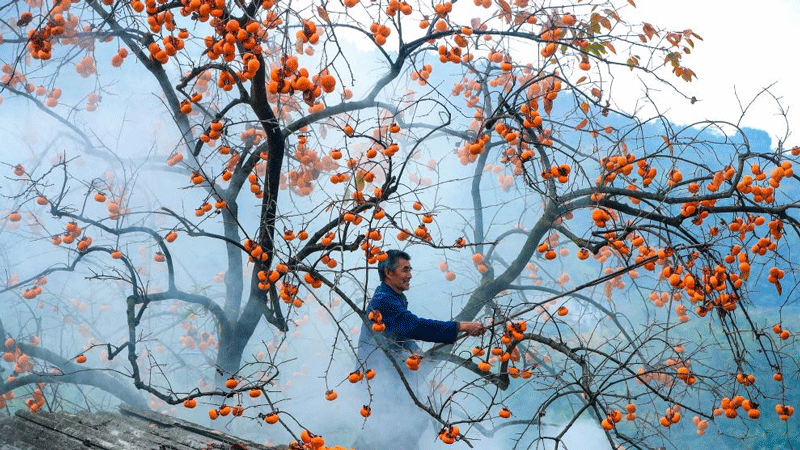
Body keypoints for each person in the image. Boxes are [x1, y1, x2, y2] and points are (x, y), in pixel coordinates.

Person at [353, 250, 484, 450]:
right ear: (389, 273)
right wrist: (460, 327)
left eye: (410, 269)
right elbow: (415, 326)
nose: (410, 275)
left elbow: (401, 331)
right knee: (392, 429)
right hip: (378, 377)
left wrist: (414, 349)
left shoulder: (393, 297)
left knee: (404, 424)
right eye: (405, 270)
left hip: (390, 373)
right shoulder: (384, 301)